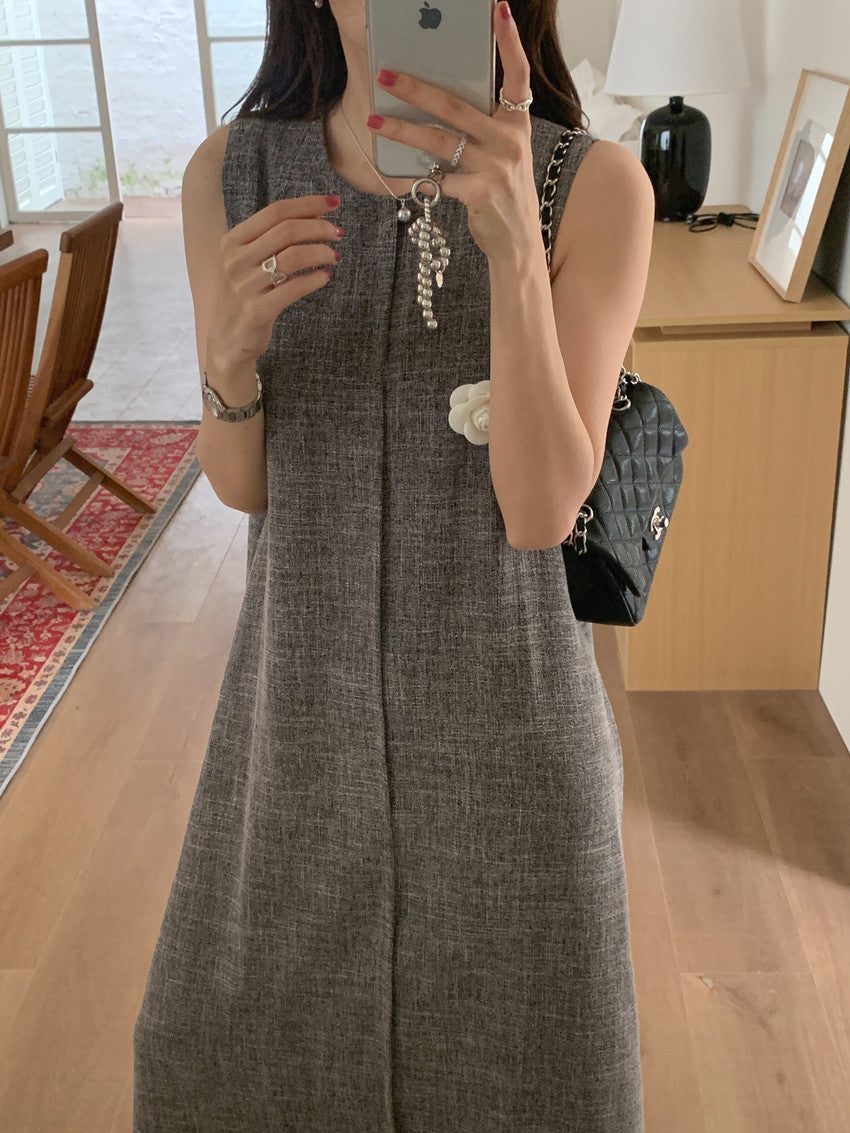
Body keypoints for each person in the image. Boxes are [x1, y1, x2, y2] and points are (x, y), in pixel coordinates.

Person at [132, 0, 655, 1128]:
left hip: (513, 751)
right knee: (215, 1064)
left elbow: (540, 510)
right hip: (294, 729)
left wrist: (515, 255)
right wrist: (228, 360)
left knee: (528, 1089)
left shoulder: (594, 187)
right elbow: (245, 484)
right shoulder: (231, 173)